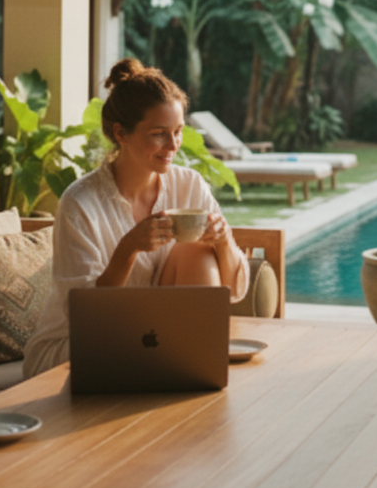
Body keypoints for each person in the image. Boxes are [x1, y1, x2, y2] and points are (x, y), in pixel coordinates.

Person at [23, 58, 248, 377]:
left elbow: (234, 291)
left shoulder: (189, 185)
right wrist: (128, 248)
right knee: (133, 347)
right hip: (83, 341)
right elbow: (88, 316)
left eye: (178, 132)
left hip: (153, 333)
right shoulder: (80, 202)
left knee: (197, 251)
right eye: (159, 134)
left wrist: (223, 242)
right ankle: (180, 368)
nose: (173, 145)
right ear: (121, 133)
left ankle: (194, 370)